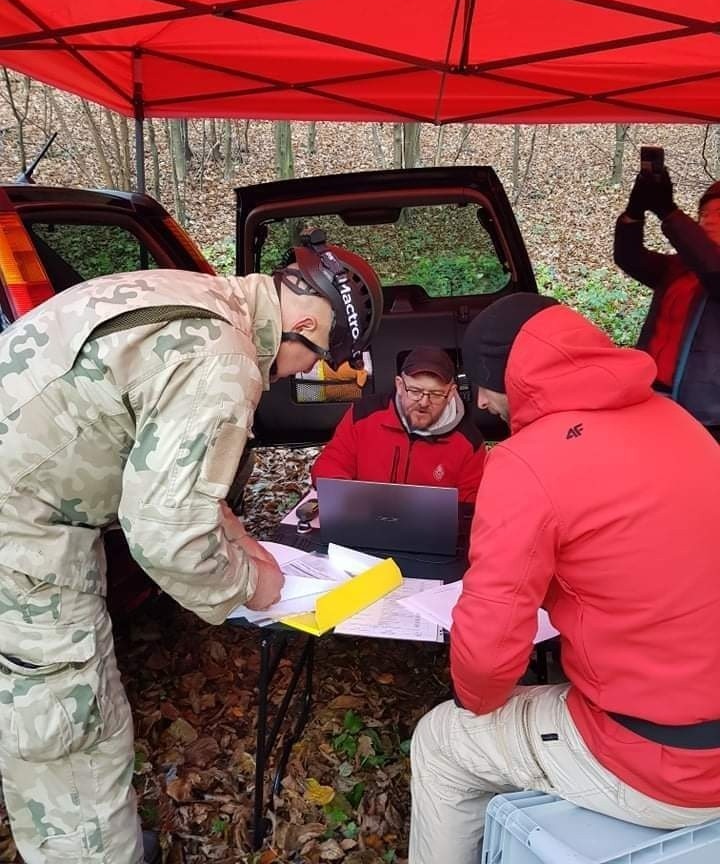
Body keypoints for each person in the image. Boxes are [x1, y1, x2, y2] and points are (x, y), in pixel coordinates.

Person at [0, 228, 382, 864]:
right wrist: (252, 588)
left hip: (30, 503)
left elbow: (174, 482)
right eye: (314, 357)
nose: (304, 374)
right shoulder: (224, 360)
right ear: (310, 318)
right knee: (72, 728)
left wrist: (242, 540)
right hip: (23, 531)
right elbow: (167, 532)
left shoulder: (202, 300)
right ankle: (85, 846)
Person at [409, 293, 720, 864]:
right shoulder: (678, 419)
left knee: (442, 739)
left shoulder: (526, 462)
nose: (479, 400)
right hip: (701, 718)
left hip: (665, 762)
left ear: (510, 376)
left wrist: (476, 699)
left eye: (480, 381)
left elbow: (485, 661)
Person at [615, 169, 720, 435]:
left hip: (708, 416)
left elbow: (713, 270)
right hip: (653, 397)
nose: (708, 220)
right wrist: (634, 213)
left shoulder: (708, 268)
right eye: (704, 214)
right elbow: (629, 257)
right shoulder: (681, 268)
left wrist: (669, 211)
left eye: (719, 214)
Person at [311, 346, 486, 507]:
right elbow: (329, 465)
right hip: (362, 519)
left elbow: (471, 505)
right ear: (400, 386)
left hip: (429, 536)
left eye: (436, 394)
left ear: (451, 394)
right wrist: (349, 499)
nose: (424, 402)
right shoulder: (364, 413)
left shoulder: (469, 442)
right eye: (415, 391)